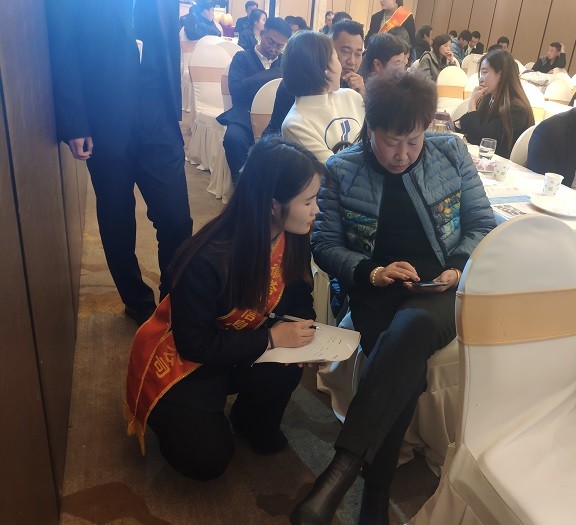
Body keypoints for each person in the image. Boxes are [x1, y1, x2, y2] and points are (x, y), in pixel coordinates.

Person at [292, 69, 496, 525]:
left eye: (413, 141)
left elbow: (483, 223)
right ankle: (375, 491)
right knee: (402, 358)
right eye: (391, 142)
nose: (402, 154)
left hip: (439, 289)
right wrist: (373, 271)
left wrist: (456, 265)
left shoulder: (451, 153)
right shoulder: (343, 169)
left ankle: (341, 473)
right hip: (377, 291)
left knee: (414, 326)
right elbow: (324, 245)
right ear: (371, 129)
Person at [125, 138, 323, 481]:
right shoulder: (206, 258)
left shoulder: (292, 236)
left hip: (237, 344)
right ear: (273, 205)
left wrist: (307, 334)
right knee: (208, 459)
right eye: (308, 201)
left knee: (287, 366)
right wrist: (271, 340)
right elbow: (193, 343)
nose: (316, 209)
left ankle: (249, 421)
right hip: (185, 361)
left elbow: (299, 294)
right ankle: (173, 417)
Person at [47, 0, 193, 325]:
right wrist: (75, 121)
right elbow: (63, 45)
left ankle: (172, 302)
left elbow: (168, 40)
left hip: (158, 111)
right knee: (117, 218)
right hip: (103, 113)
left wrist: (173, 110)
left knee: (177, 220)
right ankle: (137, 303)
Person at [218, 17, 292, 182]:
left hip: (276, 119)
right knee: (233, 139)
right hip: (245, 116)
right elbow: (236, 91)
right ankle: (242, 185)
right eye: (270, 42)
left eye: (279, 46)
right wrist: (274, 74)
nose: (273, 49)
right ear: (262, 33)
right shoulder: (242, 57)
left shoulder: (284, 63)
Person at [263, 20, 366, 138]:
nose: (352, 61)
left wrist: (362, 97)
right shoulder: (301, 85)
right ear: (328, 49)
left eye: (358, 54)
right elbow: (282, 134)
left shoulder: (354, 87)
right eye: (345, 51)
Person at [281, 31, 365, 163]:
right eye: (336, 58)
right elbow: (334, 169)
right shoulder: (295, 124)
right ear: (323, 68)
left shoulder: (352, 96)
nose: (341, 65)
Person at [459, 49, 535, 159]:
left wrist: (472, 103)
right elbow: (469, 128)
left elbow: (480, 141)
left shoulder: (516, 109)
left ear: (500, 75)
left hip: (500, 164)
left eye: (485, 72)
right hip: (485, 160)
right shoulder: (489, 98)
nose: (480, 79)